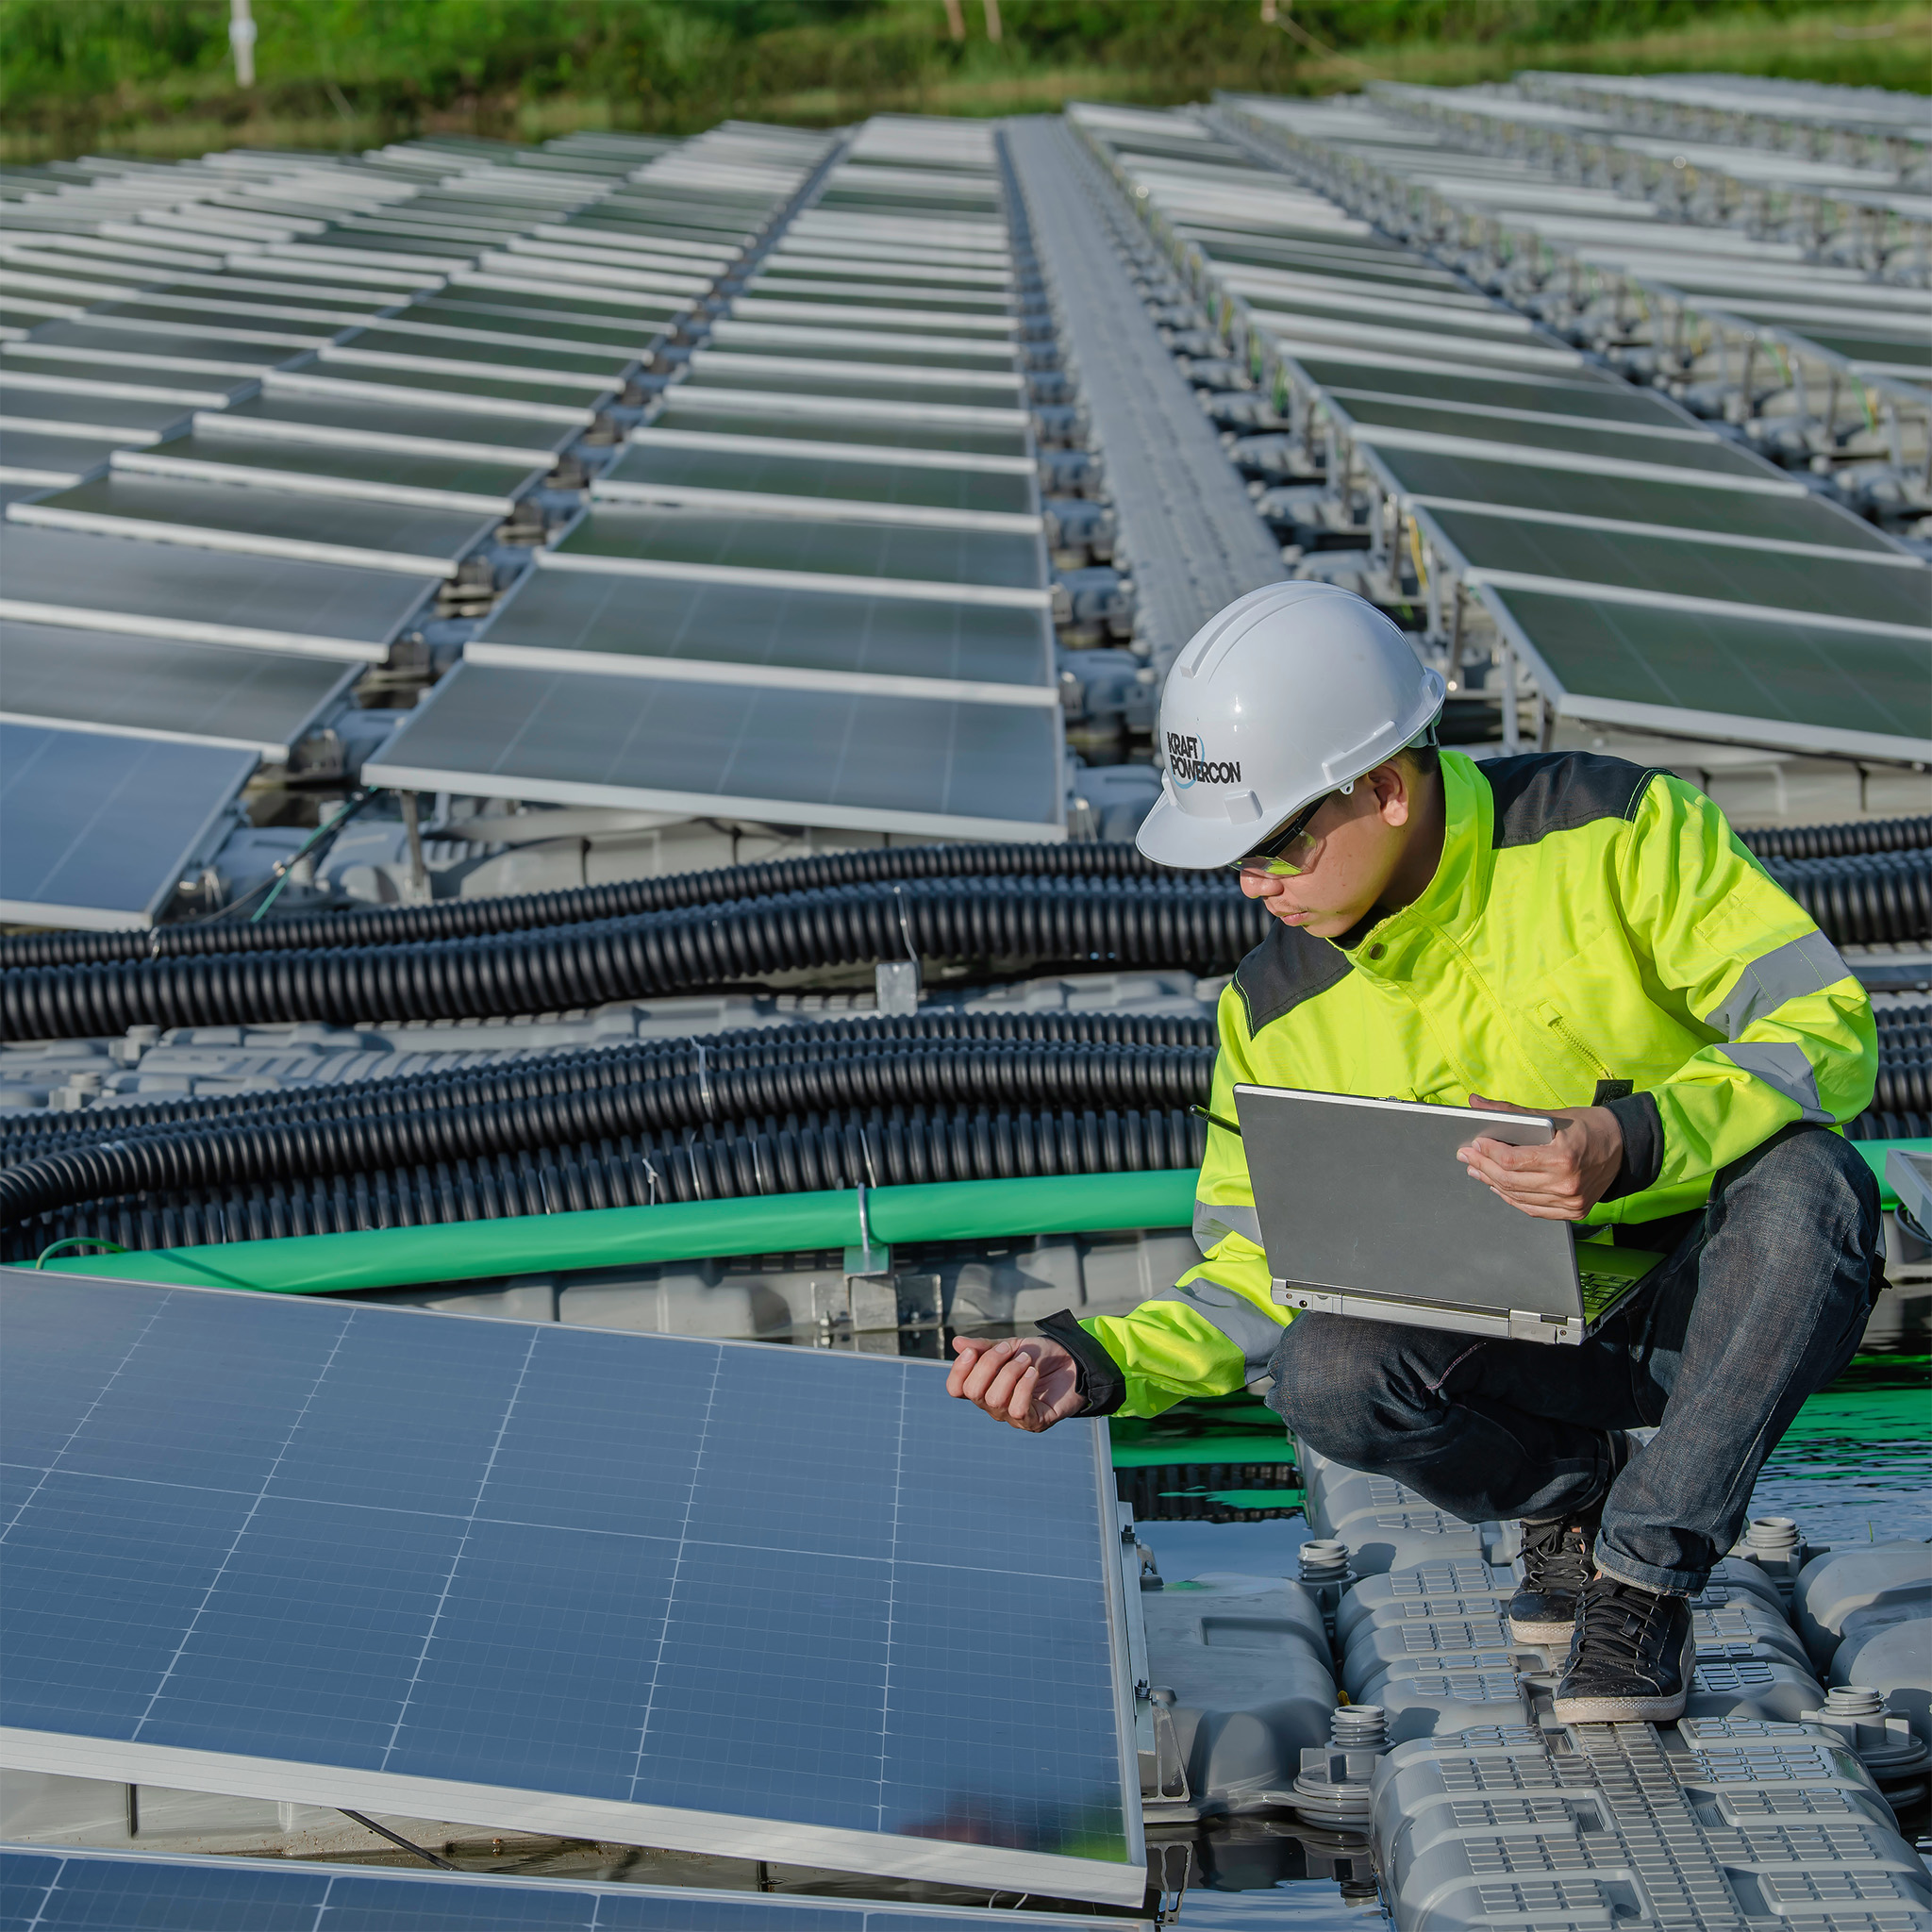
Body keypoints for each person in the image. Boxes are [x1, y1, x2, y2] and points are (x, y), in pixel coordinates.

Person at [947, 581, 1880, 1724]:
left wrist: (1634, 1140)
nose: (1252, 885)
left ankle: (1641, 1576)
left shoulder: (1612, 830)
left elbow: (1823, 1031)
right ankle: (1574, 1501)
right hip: (1520, 1343)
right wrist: (1096, 1358)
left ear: (1383, 787)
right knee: (1325, 1372)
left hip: (1717, 1305)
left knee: (1811, 1188)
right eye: (1231, 858)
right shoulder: (1275, 1007)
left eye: (1273, 843)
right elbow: (1258, 1265)